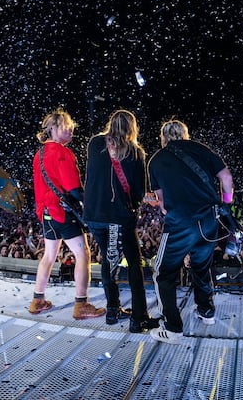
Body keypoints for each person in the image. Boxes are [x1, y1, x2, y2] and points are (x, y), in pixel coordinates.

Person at [146, 119, 234, 344]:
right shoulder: (201, 149)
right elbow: (226, 178)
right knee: (201, 265)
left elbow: (163, 203)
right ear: (185, 134)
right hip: (209, 220)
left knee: (163, 273)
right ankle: (206, 312)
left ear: (163, 138)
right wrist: (226, 203)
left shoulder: (156, 160)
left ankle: (172, 327)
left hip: (180, 223)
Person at [84, 110, 159, 332]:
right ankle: (138, 318)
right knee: (134, 264)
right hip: (117, 217)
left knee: (109, 260)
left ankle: (112, 309)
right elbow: (138, 193)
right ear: (132, 127)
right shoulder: (135, 152)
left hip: (95, 215)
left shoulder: (95, 143)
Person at [28, 108, 105, 320]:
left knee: (49, 255)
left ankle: (38, 299)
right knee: (83, 254)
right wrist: (93, 202)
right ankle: (81, 304)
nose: (71, 129)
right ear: (53, 128)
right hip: (63, 211)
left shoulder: (39, 153)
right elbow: (73, 189)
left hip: (46, 213)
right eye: (66, 125)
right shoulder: (63, 153)